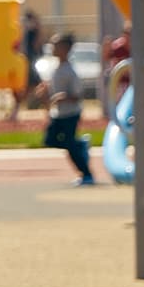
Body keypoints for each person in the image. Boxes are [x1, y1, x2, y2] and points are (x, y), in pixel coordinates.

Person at [42, 32, 95, 185]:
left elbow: (78, 94)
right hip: (58, 114)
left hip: (71, 113)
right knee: (50, 140)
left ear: (65, 49)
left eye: (56, 45)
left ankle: (87, 175)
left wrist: (63, 97)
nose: (52, 48)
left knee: (70, 146)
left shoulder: (70, 71)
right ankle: (81, 145)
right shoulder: (55, 68)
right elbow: (52, 92)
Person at [21, 8, 45, 109]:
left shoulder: (35, 30)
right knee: (28, 86)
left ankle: (44, 104)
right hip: (29, 60)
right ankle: (19, 108)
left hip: (33, 60)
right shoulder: (27, 31)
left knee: (37, 84)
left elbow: (37, 43)